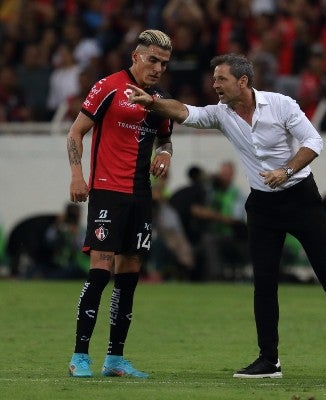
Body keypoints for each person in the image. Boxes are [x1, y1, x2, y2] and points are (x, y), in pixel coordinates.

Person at [126, 53, 326, 380]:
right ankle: (269, 359)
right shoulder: (221, 114)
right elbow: (187, 112)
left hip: (301, 199)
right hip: (262, 206)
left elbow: (314, 141)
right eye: (214, 79)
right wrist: (153, 103)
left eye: (221, 79)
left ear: (242, 81)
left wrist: (286, 170)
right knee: (264, 284)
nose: (214, 85)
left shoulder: (281, 104)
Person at [66, 29, 174, 379]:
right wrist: (77, 176)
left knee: (128, 278)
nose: (158, 68)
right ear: (136, 57)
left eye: (164, 63)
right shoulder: (109, 86)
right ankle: (79, 355)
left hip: (141, 196)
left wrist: (166, 155)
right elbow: (76, 132)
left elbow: (166, 138)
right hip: (107, 191)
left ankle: (114, 359)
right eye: (153, 59)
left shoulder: (158, 99)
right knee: (100, 272)